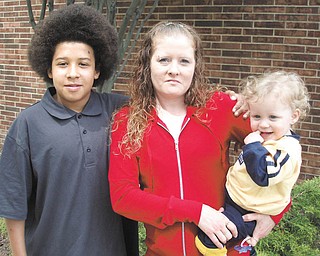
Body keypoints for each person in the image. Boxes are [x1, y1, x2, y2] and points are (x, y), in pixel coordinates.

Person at [108, 21, 288, 256]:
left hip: (226, 251)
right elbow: (123, 197)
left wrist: (275, 214)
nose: (174, 69)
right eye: (164, 60)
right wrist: (197, 212)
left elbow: (283, 147)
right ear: (147, 64)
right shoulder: (128, 120)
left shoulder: (222, 108)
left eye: (184, 61)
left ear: (195, 65)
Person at [0, 4, 138, 256]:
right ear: (49, 70)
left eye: (83, 64)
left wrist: (232, 100)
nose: (73, 73)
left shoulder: (122, 112)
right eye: (63, 64)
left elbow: (170, 107)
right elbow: (13, 205)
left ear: (97, 70)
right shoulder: (28, 123)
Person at [195, 70, 310, 255]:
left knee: (208, 241)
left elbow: (263, 174)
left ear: (294, 116)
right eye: (257, 116)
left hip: (246, 212)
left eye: (273, 117)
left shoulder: (287, 149)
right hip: (235, 201)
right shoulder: (269, 137)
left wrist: (253, 146)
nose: (263, 124)